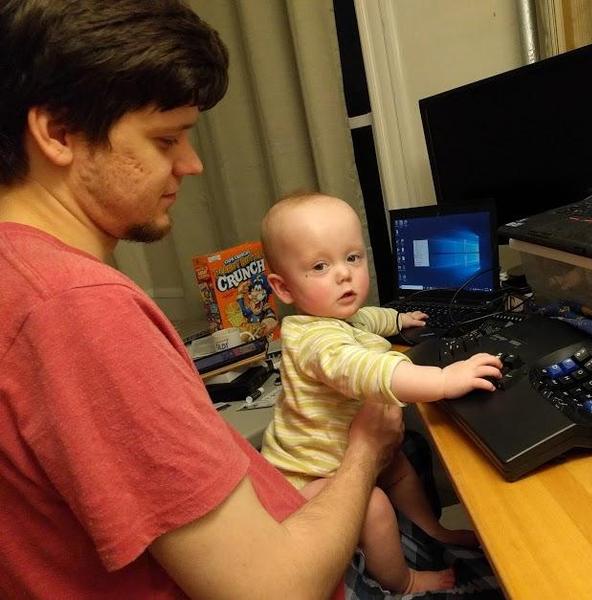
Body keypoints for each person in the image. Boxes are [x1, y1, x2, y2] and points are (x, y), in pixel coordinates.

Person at [0, 2, 406, 598]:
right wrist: (367, 451)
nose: (189, 165)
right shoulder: (74, 307)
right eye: (165, 139)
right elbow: (271, 591)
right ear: (59, 133)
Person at [259, 193, 504, 594]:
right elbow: (371, 372)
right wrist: (443, 380)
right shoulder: (314, 341)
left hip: (343, 456)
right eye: (321, 266)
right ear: (283, 288)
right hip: (306, 478)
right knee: (373, 504)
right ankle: (403, 579)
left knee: (400, 463)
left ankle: (432, 531)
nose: (344, 275)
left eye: (353, 258)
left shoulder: (339, 316)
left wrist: (398, 319)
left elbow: (369, 318)